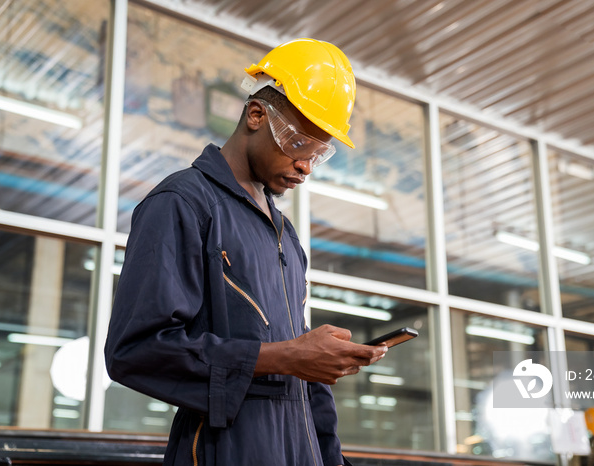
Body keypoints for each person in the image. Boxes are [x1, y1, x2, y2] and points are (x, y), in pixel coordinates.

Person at [104, 38, 388, 466]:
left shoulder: (285, 235)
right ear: (256, 115)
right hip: (223, 451)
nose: (306, 166)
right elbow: (136, 350)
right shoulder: (183, 204)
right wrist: (285, 357)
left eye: (319, 153)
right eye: (297, 144)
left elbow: (308, 387)